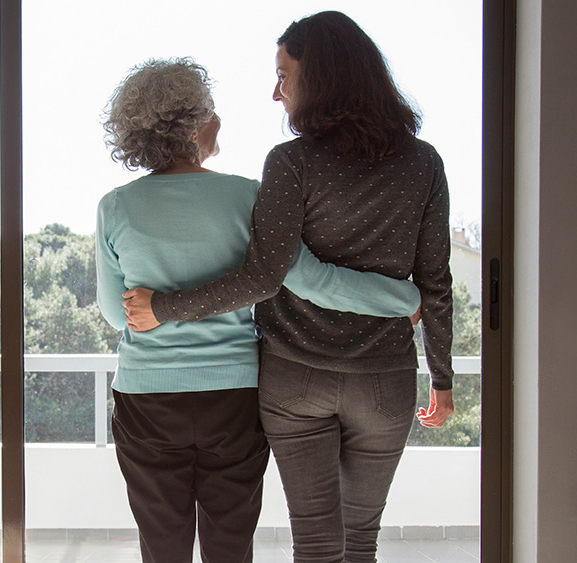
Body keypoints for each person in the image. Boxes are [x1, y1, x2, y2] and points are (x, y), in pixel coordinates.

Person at [121, 12, 455, 563]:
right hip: (384, 379)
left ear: (321, 77)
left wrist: (165, 307)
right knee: (361, 540)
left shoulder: (291, 162)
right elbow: (435, 280)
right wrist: (441, 376)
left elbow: (263, 274)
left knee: (318, 542)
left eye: (284, 75)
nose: (276, 93)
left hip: (295, 378)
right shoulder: (423, 162)